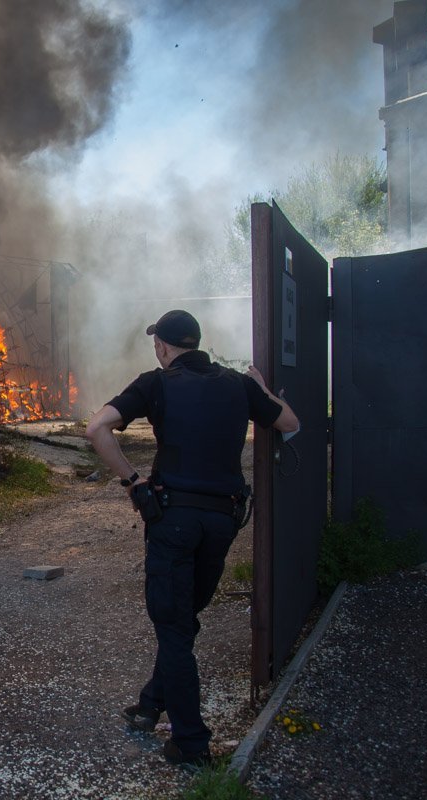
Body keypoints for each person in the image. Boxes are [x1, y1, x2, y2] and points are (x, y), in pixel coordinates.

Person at [85, 309, 299, 768]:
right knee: (183, 620)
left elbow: (96, 428)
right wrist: (260, 390)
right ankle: (149, 705)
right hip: (222, 522)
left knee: (176, 629)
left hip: (173, 522)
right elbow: (290, 424)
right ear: (197, 343)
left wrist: (133, 482)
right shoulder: (236, 386)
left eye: (156, 345)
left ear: (162, 347)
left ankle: (191, 744)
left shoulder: (155, 383)